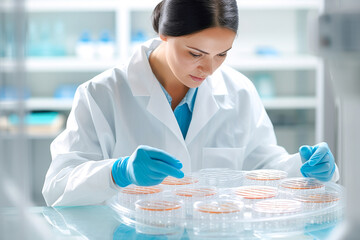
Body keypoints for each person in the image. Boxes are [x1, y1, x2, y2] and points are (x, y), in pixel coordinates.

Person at [43, 0, 338, 206]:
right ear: (164, 35)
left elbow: (262, 167)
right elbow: (57, 187)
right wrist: (117, 172)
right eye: (195, 54)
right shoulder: (102, 94)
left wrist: (303, 167)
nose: (208, 69)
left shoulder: (239, 92)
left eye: (221, 54)